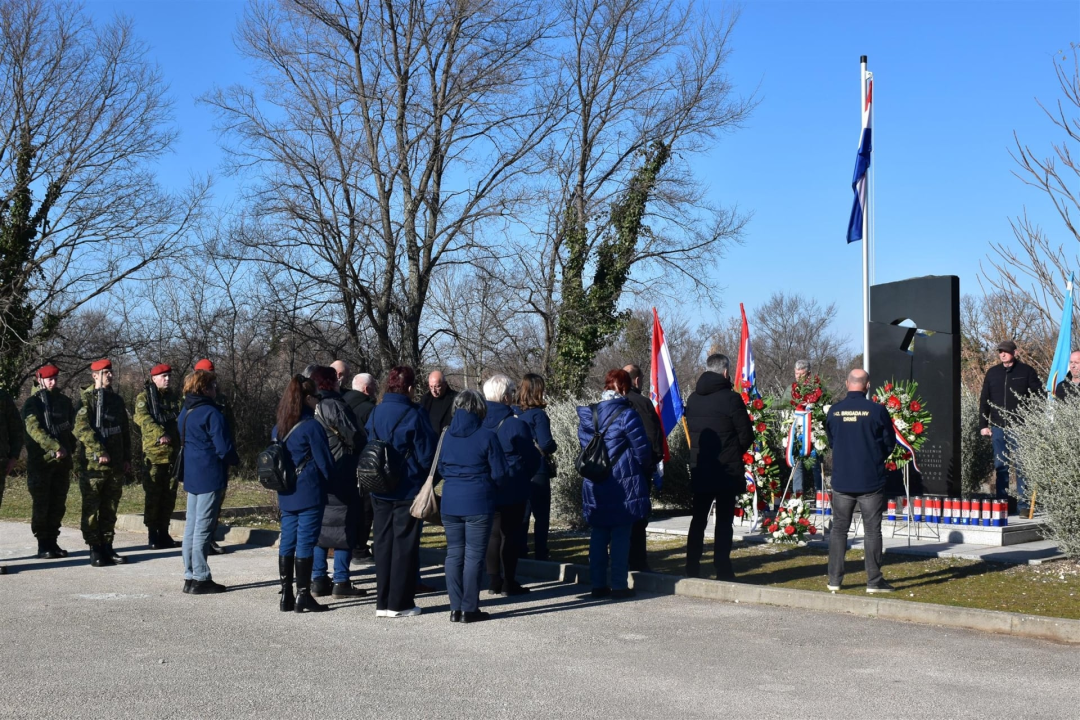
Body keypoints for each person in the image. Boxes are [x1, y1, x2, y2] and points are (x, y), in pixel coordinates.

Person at [364, 366, 438, 618]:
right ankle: (400, 603)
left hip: (379, 487)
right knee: (404, 546)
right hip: (406, 488)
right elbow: (427, 454)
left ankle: (382, 603)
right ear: (409, 388)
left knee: (382, 544)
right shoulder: (414, 413)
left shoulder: (375, 411)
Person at [576, 369, 652, 598]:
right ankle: (619, 585)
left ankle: (597, 585)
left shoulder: (589, 414)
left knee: (598, 534)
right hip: (623, 481)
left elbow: (585, 446)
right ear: (625, 387)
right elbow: (642, 451)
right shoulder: (627, 414)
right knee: (620, 534)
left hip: (595, 481)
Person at [438, 390, 510, 623]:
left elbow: (440, 468)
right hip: (479, 500)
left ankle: (455, 607)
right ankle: (469, 608)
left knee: (454, 554)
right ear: (479, 408)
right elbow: (500, 473)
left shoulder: (446, 435)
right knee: (474, 556)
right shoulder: (486, 435)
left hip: (450, 500)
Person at [825, 369, 897, 594]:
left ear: (847, 384)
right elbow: (889, 443)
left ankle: (834, 580)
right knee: (872, 531)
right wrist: (874, 458)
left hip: (842, 480)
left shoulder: (834, 411)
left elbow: (832, 441)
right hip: (870, 480)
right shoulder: (876, 410)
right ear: (867, 386)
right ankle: (874, 581)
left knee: (838, 530)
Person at [683, 353, 753, 581]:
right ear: (725, 372)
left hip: (701, 465)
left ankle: (691, 565)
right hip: (727, 469)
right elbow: (746, 434)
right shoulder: (731, 399)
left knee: (698, 519)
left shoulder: (693, 398)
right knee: (724, 521)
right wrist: (733, 451)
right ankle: (722, 567)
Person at [273, 374, 336, 613]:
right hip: (309, 491)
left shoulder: (279, 426)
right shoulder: (312, 426)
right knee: (306, 543)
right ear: (308, 398)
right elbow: (325, 463)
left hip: (286, 491)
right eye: (317, 397)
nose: (319, 401)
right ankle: (303, 596)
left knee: (287, 541)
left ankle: (286, 595)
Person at [177, 369, 240, 595]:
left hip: (192, 473)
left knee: (191, 527)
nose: (216, 390)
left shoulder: (186, 411)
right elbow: (223, 447)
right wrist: (235, 460)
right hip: (209, 474)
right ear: (204, 388)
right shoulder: (211, 413)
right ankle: (201, 577)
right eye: (213, 386)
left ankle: (189, 575)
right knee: (203, 528)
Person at [306, 365, 366, 599]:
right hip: (341, 471)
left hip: (316, 473)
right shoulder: (336, 406)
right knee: (344, 527)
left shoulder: (308, 406)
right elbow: (356, 437)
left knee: (319, 527)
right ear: (331, 383)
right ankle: (341, 580)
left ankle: (318, 578)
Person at [482, 374, 540, 596]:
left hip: (487, 485)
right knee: (511, 535)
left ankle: (494, 580)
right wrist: (525, 475)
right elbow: (533, 458)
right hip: (513, 485)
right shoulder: (516, 424)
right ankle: (509, 582)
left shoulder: (478, 422)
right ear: (506, 397)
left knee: (493, 534)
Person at [74, 358, 132, 567]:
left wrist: (126, 458)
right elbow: (81, 429)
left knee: (110, 508)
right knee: (92, 508)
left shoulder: (116, 401)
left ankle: (107, 546)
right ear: (95, 375)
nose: (110, 375)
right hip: (93, 466)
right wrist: (99, 451)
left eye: (110, 372)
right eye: (105, 372)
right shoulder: (85, 400)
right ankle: (94, 548)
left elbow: (124, 431)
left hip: (115, 464)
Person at [978, 340, 1042, 507]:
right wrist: (983, 425)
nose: (1003, 354)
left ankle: (1024, 505)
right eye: (1000, 351)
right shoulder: (992, 373)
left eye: (1006, 351)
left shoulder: (1027, 371)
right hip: (998, 427)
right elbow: (984, 400)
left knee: (1022, 467)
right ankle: (1002, 503)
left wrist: (1036, 420)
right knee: (1001, 466)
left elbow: (1039, 395)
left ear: (1015, 352)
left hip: (1020, 427)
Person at [21, 365, 73, 560]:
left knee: (58, 504)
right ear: (39, 380)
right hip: (41, 463)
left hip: (62, 463)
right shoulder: (32, 404)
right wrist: (55, 447)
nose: (53, 382)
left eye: (55, 379)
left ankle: (53, 540)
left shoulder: (64, 402)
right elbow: (34, 430)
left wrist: (70, 448)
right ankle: (43, 543)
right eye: (49, 379)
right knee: (42, 504)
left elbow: (71, 427)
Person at [134, 364, 181, 549]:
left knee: (169, 496)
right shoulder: (144, 397)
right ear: (154, 378)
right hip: (154, 455)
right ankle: (152, 533)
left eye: (169, 376)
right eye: (163, 376)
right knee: (153, 496)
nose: (167, 379)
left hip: (172, 454)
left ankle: (164, 531)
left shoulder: (173, 398)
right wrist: (160, 433)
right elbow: (142, 418)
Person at [622, 364, 661, 572]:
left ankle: (623, 558)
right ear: (637, 380)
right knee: (638, 518)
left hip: (618, 470)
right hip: (639, 469)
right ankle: (637, 560)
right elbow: (652, 437)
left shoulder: (614, 404)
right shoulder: (642, 403)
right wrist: (653, 463)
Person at [515, 373, 557, 561]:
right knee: (541, 515)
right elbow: (546, 443)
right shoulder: (538, 415)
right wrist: (553, 447)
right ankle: (541, 551)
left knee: (522, 514)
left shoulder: (514, 413)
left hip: (519, 468)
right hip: (537, 468)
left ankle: (521, 549)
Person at [194, 358, 234, 555]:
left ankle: (210, 535)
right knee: (203, 509)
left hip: (220, 456)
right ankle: (203, 542)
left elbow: (228, 425)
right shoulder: (192, 401)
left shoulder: (221, 399)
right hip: (204, 460)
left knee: (217, 502)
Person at [343, 372, 378, 561]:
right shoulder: (369, 409)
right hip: (363, 464)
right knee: (365, 510)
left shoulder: (341, 403)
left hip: (343, 464)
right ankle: (359, 549)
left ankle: (347, 545)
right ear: (367, 389)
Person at [791, 359, 823, 498]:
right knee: (797, 465)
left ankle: (821, 497)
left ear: (808, 374)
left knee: (816, 466)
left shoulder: (818, 388)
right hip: (797, 432)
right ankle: (797, 497)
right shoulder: (792, 389)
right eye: (796, 374)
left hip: (813, 431)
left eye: (801, 374)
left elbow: (823, 409)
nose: (798, 377)